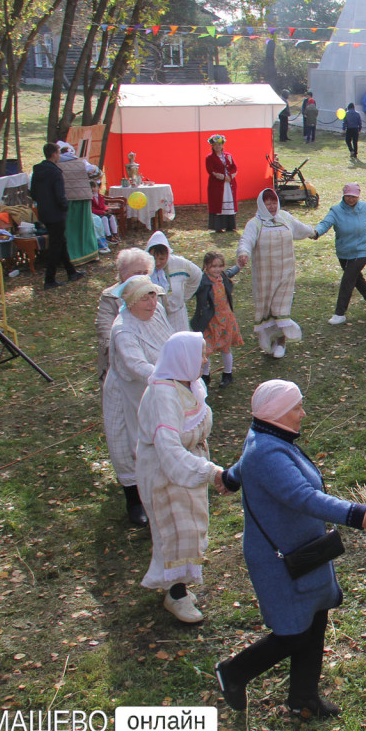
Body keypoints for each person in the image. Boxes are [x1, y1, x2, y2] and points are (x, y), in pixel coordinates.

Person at [216, 380, 366, 719]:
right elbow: (304, 498)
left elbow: (244, 464)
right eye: (296, 407)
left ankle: (303, 698)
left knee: (315, 620)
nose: (302, 413)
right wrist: (361, 515)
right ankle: (233, 673)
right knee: (292, 633)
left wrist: (231, 478)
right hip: (279, 560)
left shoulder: (266, 437)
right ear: (278, 413)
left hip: (304, 550)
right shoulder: (266, 451)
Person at [136, 332, 226, 623]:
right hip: (165, 474)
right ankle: (175, 595)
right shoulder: (163, 393)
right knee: (176, 531)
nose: (205, 359)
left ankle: (180, 587)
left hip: (187, 467)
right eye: (200, 354)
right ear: (183, 357)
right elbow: (169, 449)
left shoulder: (191, 383)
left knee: (191, 529)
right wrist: (210, 473)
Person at [103, 275, 173, 527]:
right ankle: (134, 499)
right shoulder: (123, 329)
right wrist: (168, 375)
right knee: (128, 441)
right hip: (129, 390)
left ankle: (163, 489)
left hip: (160, 386)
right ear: (130, 302)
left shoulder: (157, 312)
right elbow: (135, 365)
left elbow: (171, 340)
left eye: (153, 295)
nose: (152, 302)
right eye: (144, 298)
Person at [238, 189, 317, 358]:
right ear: (261, 204)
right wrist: (243, 253)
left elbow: (299, 228)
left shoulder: (285, 217)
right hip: (264, 275)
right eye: (268, 203)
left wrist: (312, 232)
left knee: (280, 307)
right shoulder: (255, 223)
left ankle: (281, 342)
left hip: (285, 272)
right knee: (267, 309)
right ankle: (270, 339)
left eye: (274, 202)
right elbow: (247, 239)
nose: (272, 206)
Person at [316, 183, 366, 324]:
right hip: (344, 251)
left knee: (347, 280)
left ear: (358, 196)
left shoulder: (364, 208)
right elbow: (325, 223)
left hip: (362, 250)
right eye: (348, 196)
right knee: (356, 279)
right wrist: (316, 232)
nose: (351, 199)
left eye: (354, 196)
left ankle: (340, 313)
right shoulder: (336, 211)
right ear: (343, 195)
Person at [30, 142, 83, 290]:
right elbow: (59, 194)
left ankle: (71, 272)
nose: (59, 156)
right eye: (59, 153)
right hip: (56, 213)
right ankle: (49, 278)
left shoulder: (37, 171)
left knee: (60, 241)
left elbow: (33, 192)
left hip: (45, 212)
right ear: (54, 154)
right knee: (55, 245)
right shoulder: (55, 172)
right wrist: (64, 206)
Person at [97, 248, 153, 380]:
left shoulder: (155, 293)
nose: (142, 277)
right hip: (120, 360)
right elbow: (104, 330)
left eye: (145, 273)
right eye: (137, 273)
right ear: (122, 274)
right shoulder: (109, 296)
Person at [191, 251, 243, 389]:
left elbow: (230, 272)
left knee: (226, 348)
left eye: (220, 266)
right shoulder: (202, 281)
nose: (217, 269)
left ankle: (228, 373)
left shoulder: (222, 277)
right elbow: (192, 289)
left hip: (225, 318)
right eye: (214, 266)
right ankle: (205, 375)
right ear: (207, 266)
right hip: (209, 321)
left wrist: (238, 266)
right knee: (206, 350)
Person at [145, 231, 203, 334]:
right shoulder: (143, 268)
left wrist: (184, 297)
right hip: (154, 317)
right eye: (154, 258)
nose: (157, 263)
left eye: (162, 259)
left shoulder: (178, 264)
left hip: (177, 314)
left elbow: (197, 274)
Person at [205, 134, 238, 233]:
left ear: (222, 145)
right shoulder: (209, 158)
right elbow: (211, 170)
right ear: (212, 146)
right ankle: (218, 226)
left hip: (229, 183)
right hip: (217, 184)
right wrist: (223, 177)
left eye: (219, 144)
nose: (217, 147)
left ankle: (229, 225)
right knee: (218, 203)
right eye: (215, 145)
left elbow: (234, 167)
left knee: (229, 201)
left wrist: (230, 176)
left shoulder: (228, 156)